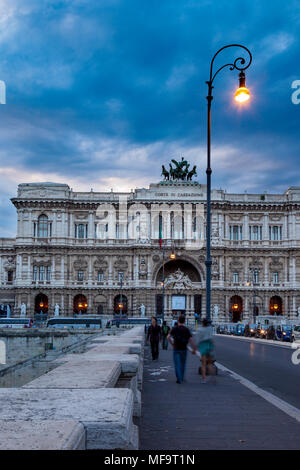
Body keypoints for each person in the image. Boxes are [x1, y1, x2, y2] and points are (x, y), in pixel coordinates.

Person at [168, 315, 196, 384]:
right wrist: (194, 348)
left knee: (177, 364)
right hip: (184, 349)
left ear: (178, 321)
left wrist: (172, 344)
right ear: (184, 321)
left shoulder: (174, 328)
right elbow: (191, 339)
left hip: (176, 348)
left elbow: (168, 337)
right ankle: (182, 377)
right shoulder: (186, 329)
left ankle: (179, 378)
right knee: (183, 364)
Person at [193, 318, 215, 384]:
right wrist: (212, 346)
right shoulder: (210, 328)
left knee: (203, 364)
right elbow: (211, 338)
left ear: (202, 323)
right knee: (210, 363)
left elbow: (198, 340)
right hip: (209, 345)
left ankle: (204, 379)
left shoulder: (199, 330)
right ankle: (213, 376)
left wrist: (195, 349)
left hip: (203, 346)